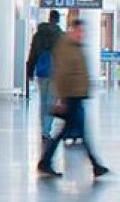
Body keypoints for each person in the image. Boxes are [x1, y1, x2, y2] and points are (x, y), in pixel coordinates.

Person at [37, 19, 109, 178]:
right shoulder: (66, 48)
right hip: (71, 97)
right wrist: (61, 98)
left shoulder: (75, 47)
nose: (82, 34)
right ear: (72, 30)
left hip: (77, 96)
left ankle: (46, 162)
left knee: (71, 132)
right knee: (76, 133)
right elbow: (61, 75)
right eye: (79, 31)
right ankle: (95, 165)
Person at [26, 10, 63, 141]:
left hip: (41, 72)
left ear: (49, 18)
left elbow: (32, 54)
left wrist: (29, 71)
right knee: (51, 102)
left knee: (42, 102)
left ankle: (43, 129)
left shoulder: (38, 35)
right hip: (55, 73)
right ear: (58, 20)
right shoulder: (60, 35)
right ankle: (47, 130)